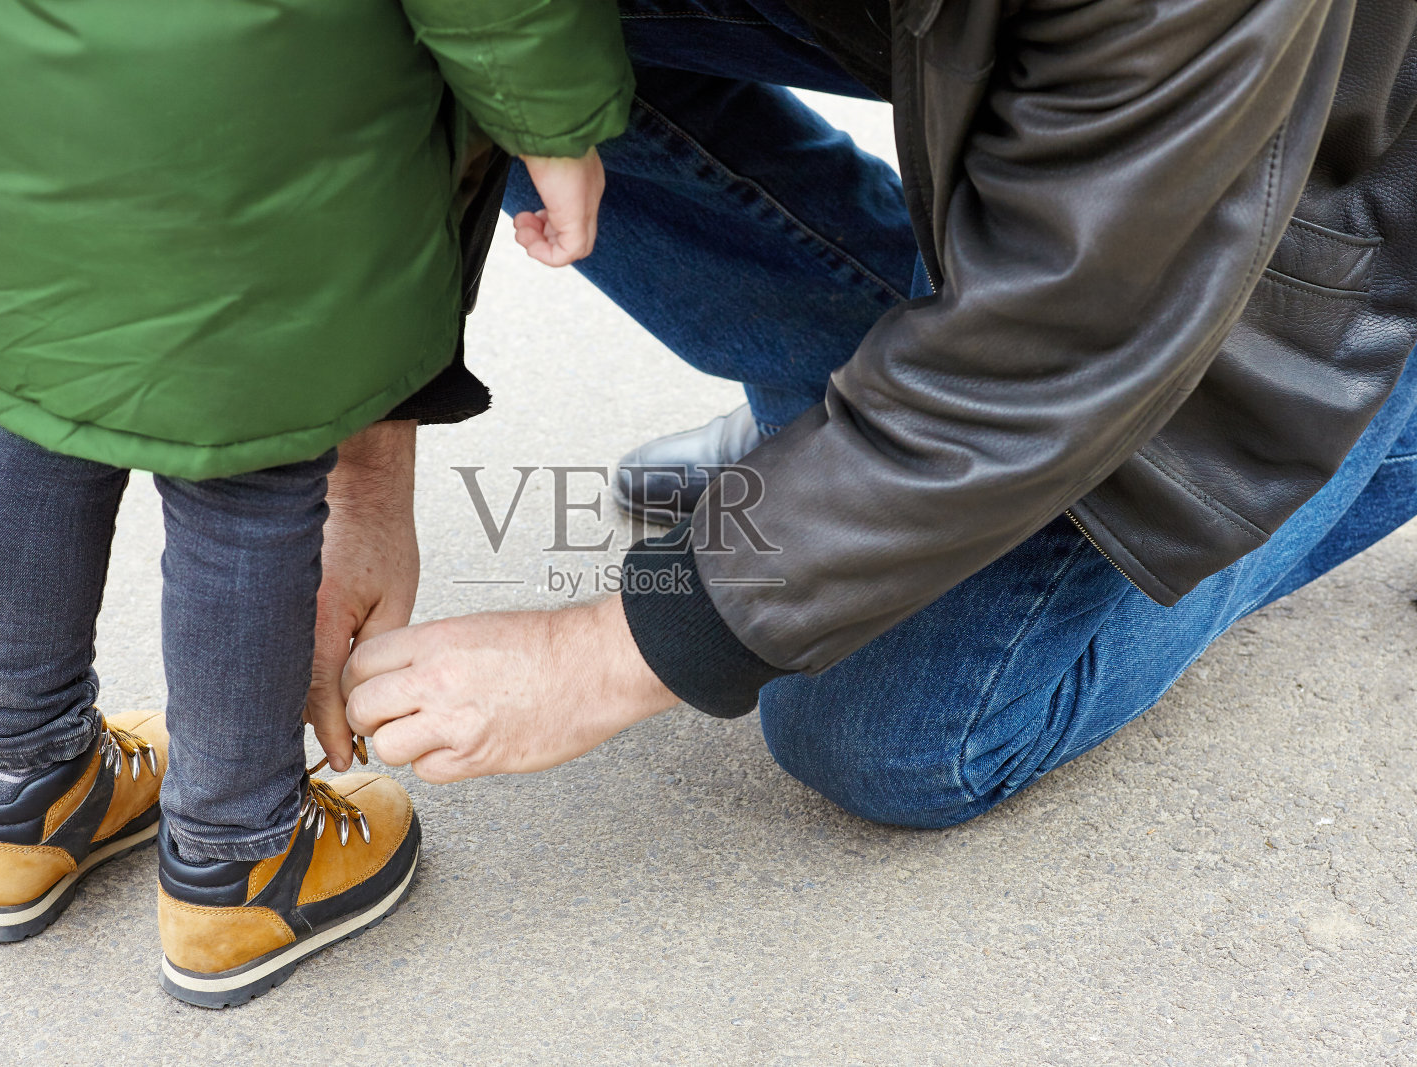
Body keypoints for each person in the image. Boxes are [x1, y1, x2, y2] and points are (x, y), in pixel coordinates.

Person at [321, 0, 1417, 829]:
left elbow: (1053, 346)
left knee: (888, 734)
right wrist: (361, 474)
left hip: (1300, 139)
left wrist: (598, 652)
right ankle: (846, 404)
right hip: (1104, 126)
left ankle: (1389, 414)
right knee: (478, 42)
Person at [0, 0, 632, 1006]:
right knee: (248, 461)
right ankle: (236, 861)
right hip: (253, 116)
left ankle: (16, 790)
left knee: (42, 399)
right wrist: (554, 123)